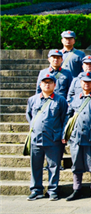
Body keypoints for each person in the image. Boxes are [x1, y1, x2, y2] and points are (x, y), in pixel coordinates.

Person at [65, 72, 91, 201]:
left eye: (89, 82)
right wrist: (66, 134)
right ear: (80, 83)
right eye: (84, 81)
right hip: (76, 137)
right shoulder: (74, 99)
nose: (87, 84)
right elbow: (68, 117)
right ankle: (76, 189)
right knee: (76, 164)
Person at [26, 73, 68, 201]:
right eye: (44, 82)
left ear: (54, 85)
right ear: (40, 85)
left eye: (50, 82)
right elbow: (29, 115)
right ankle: (36, 190)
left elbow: (64, 118)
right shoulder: (33, 100)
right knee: (35, 165)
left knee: (53, 166)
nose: (47, 85)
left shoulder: (60, 100)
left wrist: (62, 134)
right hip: (36, 138)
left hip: (53, 138)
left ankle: (53, 190)